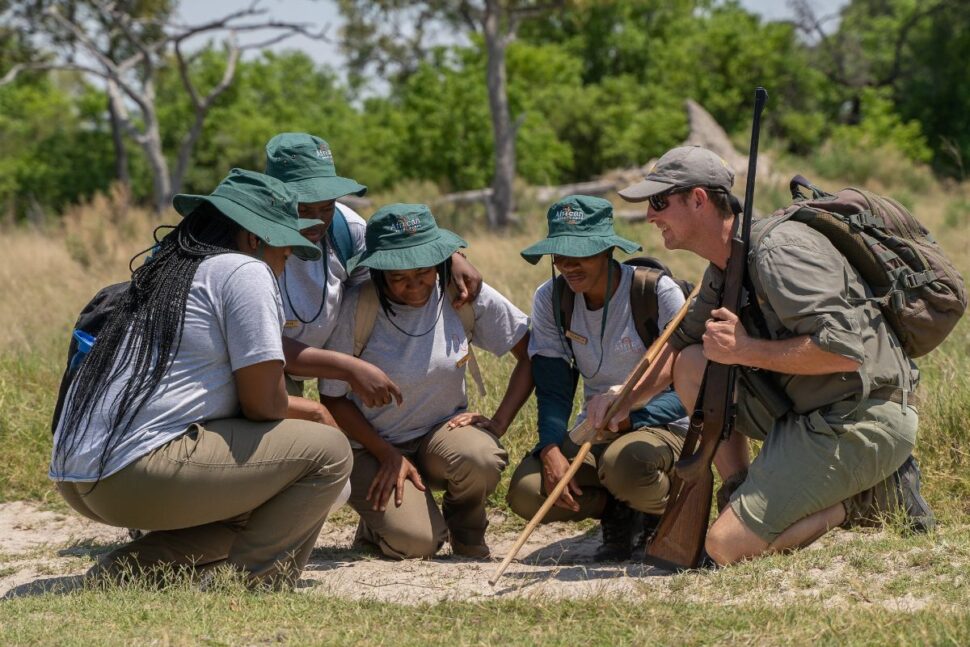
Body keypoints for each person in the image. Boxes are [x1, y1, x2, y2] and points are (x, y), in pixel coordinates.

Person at [588, 145, 934, 566]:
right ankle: (740, 487)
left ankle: (870, 497)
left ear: (698, 200)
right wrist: (622, 398)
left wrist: (744, 350)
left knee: (724, 547)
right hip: (804, 410)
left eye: (659, 202)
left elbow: (845, 352)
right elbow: (678, 349)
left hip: (861, 416)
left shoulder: (778, 252)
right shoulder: (725, 265)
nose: (650, 216)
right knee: (693, 362)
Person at [50, 169, 352, 589]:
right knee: (330, 452)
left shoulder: (170, 271)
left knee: (269, 494)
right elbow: (263, 403)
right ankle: (252, 584)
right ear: (253, 238)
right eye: (284, 254)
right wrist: (317, 411)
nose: (283, 267)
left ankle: (130, 571)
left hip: (78, 475)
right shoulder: (244, 270)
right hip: (135, 472)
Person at [320, 204, 532, 559]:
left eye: (423, 272)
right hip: (372, 447)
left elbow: (532, 352)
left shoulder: (460, 293)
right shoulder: (357, 307)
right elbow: (334, 399)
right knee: (418, 544)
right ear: (378, 271)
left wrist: (500, 421)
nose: (414, 286)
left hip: (439, 437)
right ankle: (382, 525)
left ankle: (466, 528)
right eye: (399, 277)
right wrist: (386, 454)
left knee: (480, 457)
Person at [505, 195, 690, 561]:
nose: (567, 266)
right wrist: (550, 447)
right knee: (528, 490)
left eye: (581, 254)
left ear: (608, 249)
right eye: (559, 255)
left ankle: (661, 511)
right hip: (597, 426)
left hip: (666, 422)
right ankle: (617, 511)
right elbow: (554, 387)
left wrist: (633, 418)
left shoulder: (656, 292)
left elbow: (692, 387)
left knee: (627, 463)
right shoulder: (551, 299)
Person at [262, 133, 483, 402]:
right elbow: (259, 342)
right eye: (303, 209)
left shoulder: (348, 230)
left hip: (328, 363)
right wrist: (349, 369)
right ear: (273, 197)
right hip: (262, 366)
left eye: (326, 206)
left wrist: (448, 257)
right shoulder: (251, 243)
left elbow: (396, 257)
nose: (318, 220)